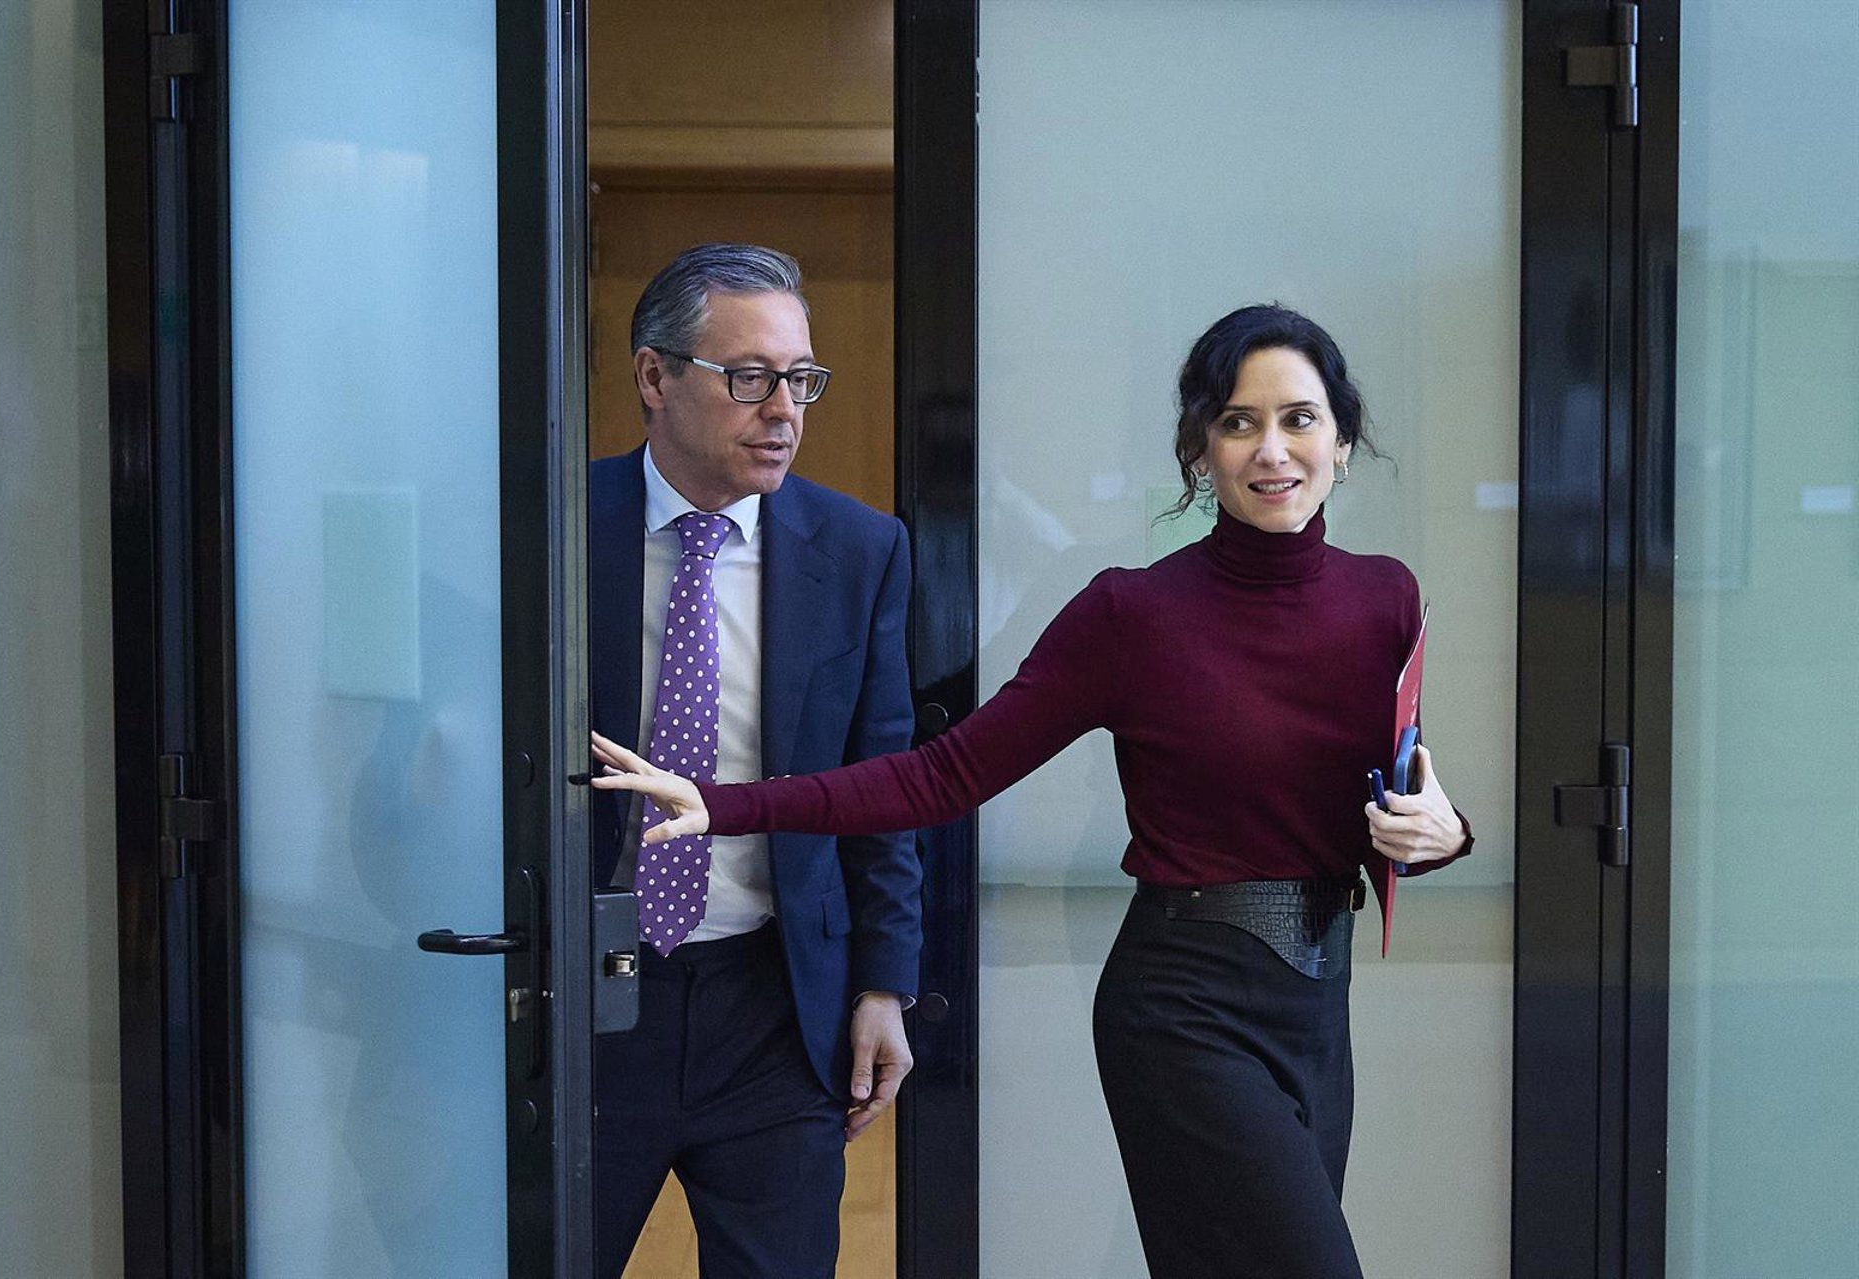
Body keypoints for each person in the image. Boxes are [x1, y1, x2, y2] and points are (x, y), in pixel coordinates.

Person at [592, 304, 1474, 1278]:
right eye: (1238, 422)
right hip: (1184, 1004)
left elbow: (1393, 801)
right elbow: (941, 775)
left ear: (1342, 441)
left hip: (1317, 998)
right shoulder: (1133, 613)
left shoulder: (1386, 598)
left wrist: (1445, 834)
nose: (1272, 449)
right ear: (1200, 449)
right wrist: (726, 804)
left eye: (1299, 419)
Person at [588, 243, 922, 1279]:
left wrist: (885, 986)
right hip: (594, 995)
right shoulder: (555, 528)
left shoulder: (859, 550)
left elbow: (881, 786)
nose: (784, 411)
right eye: (749, 378)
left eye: (801, 379)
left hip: (774, 1002)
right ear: (655, 377)